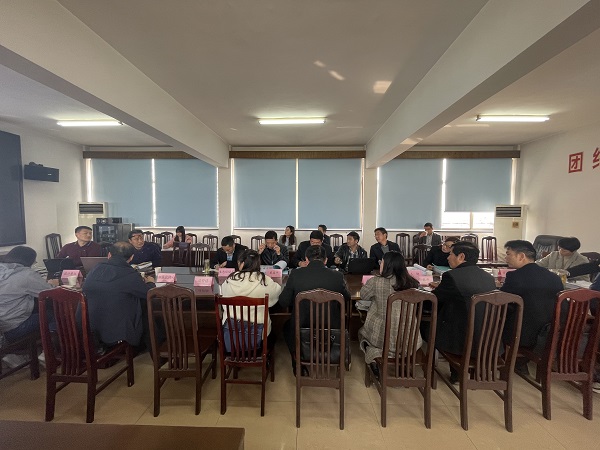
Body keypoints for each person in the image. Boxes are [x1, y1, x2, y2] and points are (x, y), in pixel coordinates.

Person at [425, 241, 496, 383]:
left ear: (461, 256)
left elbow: (434, 301)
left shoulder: (452, 276)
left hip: (460, 339)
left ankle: (447, 372)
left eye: (451, 254)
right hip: (486, 337)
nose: (447, 257)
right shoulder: (488, 278)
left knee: (426, 324)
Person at [279, 245, 351, 374]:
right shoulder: (337, 276)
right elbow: (347, 298)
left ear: (306, 259)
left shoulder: (296, 274)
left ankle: (298, 362)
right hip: (331, 330)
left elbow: (283, 302)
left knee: (286, 326)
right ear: (326, 260)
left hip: (302, 329)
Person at [82, 241, 156, 350]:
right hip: (117, 332)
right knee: (144, 306)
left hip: (89, 327)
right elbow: (148, 293)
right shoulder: (130, 274)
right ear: (131, 257)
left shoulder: (95, 269)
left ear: (109, 255)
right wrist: (150, 282)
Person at [358, 251, 420, 378]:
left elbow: (363, 295)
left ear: (386, 265)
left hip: (381, 335)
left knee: (362, 334)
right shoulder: (413, 283)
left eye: (381, 262)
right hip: (409, 338)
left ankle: (375, 357)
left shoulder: (376, 281)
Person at [501, 240, 563, 353]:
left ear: (521, 256)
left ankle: (500, 356)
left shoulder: (515, 276)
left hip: (522, 334)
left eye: (508, 254)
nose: (506, 258)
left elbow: (501, 300)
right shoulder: (554, 277)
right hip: (548, 333)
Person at [220, 249, 282, 338]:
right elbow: (278, 291)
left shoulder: (229, 280)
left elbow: (223, 296)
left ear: (241, 264)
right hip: (258, 333)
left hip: (231, 332)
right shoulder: (265, 281)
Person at [0, 246, 56, 343]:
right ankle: (51, 347)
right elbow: (51, 292)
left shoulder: (2, 269)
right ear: (27, 260)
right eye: (34, 261)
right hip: (13, 328)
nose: (34, 263)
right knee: (55, 314)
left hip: (3, 324)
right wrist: (53, 283)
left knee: (42, 306)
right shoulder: (26, 274)